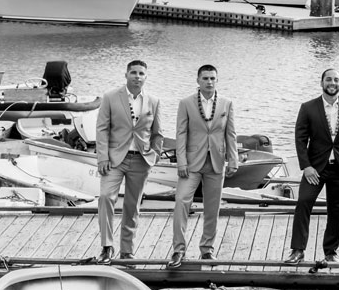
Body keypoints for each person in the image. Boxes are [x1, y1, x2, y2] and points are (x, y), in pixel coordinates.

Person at [284, 69, 339, 265]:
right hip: (315, 168)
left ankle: (330, 252)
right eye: (329, 79)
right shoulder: (308, 107)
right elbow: (300, 139)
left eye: (336, 80)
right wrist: (306, 166)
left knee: (336, 210)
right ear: (321, 82)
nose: (332, 83)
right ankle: (298, 250)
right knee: (303, 202)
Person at [166, 65, 239, 269]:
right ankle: (178, 250)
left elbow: (231, 134)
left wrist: (233, 159)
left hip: (216, 161)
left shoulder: (226, 103)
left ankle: (207, 249)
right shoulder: (186, 103)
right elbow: (180, 133)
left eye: (212, 78)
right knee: (181, 201)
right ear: (198, 80)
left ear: (217, 80)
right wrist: (181, 161)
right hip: (191, 162)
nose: (209, 81)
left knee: (212, 207)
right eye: (205, 78)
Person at [94, 60, 163, 264]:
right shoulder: (110, 97)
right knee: (106, 197)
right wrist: (103, 157)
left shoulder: (153, 101)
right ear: (126, 75)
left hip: (140, 160)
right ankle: (107, 246)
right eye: (133, 72)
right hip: (115, 159)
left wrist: (155, 155)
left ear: (146, 77)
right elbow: (102, 129)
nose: (137, 76)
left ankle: (127, 251)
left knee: (132, 206)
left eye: (141, 73)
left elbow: (157, 133)